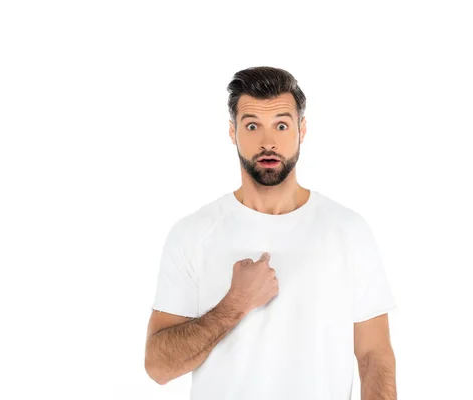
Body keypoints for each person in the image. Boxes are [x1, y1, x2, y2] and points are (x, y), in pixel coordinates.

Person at [144, 66, 397, 399]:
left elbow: (374, 356)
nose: (268, 142)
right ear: (233, 132)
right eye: (252, 126)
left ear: (301, 130)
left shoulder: (347, 230)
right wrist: (235, 304)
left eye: (281, 125)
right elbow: (159, 367)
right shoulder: (193, 234)